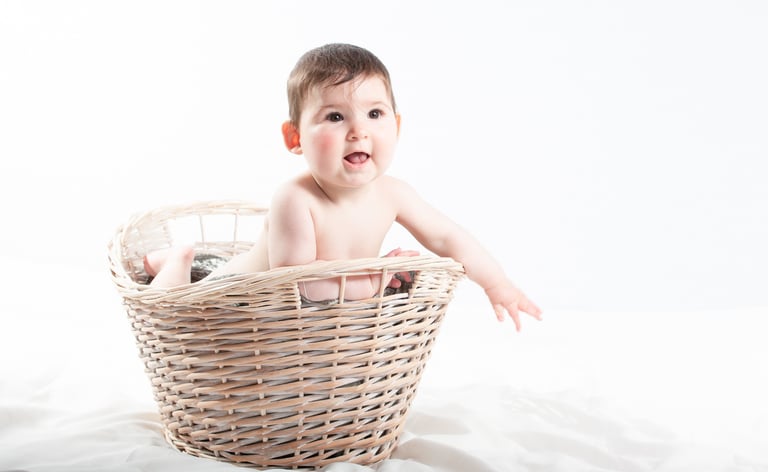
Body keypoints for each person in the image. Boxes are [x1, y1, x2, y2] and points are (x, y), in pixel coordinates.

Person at [144, 43, 542, 330]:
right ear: (294, 137)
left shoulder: (394, 193)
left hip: (314, 325)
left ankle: (184, 261)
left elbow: (448, 236)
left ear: (397, 127)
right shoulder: (296, 199)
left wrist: (496, 282)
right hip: (230, 303)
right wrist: (377, 278)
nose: (358, 131)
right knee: (167, 308)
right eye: (335, 116)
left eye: (374, 113)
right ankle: (177, 261)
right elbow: (299, 285)